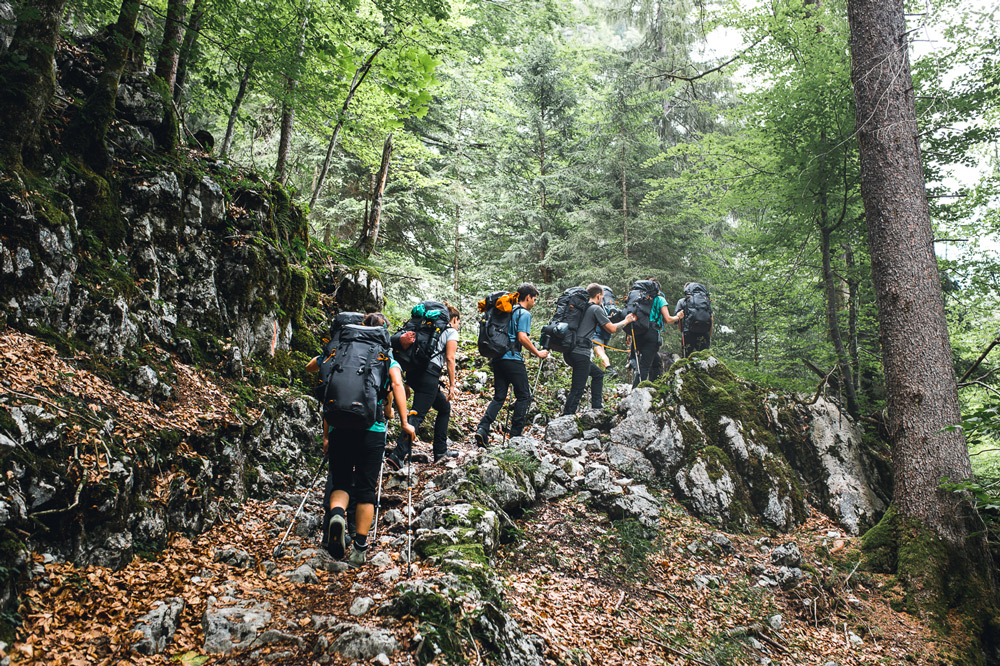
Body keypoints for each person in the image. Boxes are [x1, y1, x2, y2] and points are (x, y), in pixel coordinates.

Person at [305, 312, 416, 567]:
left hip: (339, 427)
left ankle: (336, 516)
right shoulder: (385, 356)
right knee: (366, 490)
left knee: (341, 483)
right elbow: (398, 385)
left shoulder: (341, 349)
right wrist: (404, 421)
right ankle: (359, 548)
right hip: (372, 430)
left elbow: (313, 368)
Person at [386, 303, 461, 468]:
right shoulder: (450, 332)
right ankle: (398, 455)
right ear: (453, 319)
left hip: (415, 373)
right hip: (429, 376)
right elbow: (450, 358)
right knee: (417, 415)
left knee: (443, 407)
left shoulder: (425, 329)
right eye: (457, 321)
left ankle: (441, 450)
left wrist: (406, 381)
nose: (458, 325)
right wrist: (452, 386)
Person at [474, 283, 549, 445]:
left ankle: (483, 428)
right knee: (524, 396)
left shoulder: (508, 311)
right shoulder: (523, 313)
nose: (534, 303)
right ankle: (515, 435)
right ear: (527, 297)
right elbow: (522, 337)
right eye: (534, 299)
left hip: (498, 357)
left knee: (499, 397)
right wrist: (538, 353)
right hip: (513, 359)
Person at [563, 284, 635, 415]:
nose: (603, 300)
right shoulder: (595, 308)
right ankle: (566, 417)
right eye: (602, 297)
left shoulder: (581, 307)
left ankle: (597, 409)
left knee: (598, 374)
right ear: (598, 296)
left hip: (569, 351)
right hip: (580, 352)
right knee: (578, 388)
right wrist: (626, 321)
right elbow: (612, 328)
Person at [631, 278, 683, 387]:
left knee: (656, 362)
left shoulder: (639, 298)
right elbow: (668, 319)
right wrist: (678, 317)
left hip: (638, 333)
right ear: (658, 289)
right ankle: (636, 391)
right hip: (651, 333)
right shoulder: (659, 299)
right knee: (644, 366)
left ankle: (655, 386)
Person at [676, 282, 713, 357]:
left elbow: (679, 319)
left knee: (686, 358)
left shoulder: (682, 301)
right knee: (704, 358)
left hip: (688, 332)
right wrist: (709, 335)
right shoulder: (705, 301)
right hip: (704, 332)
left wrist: (682, 331)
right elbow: (711, 318)